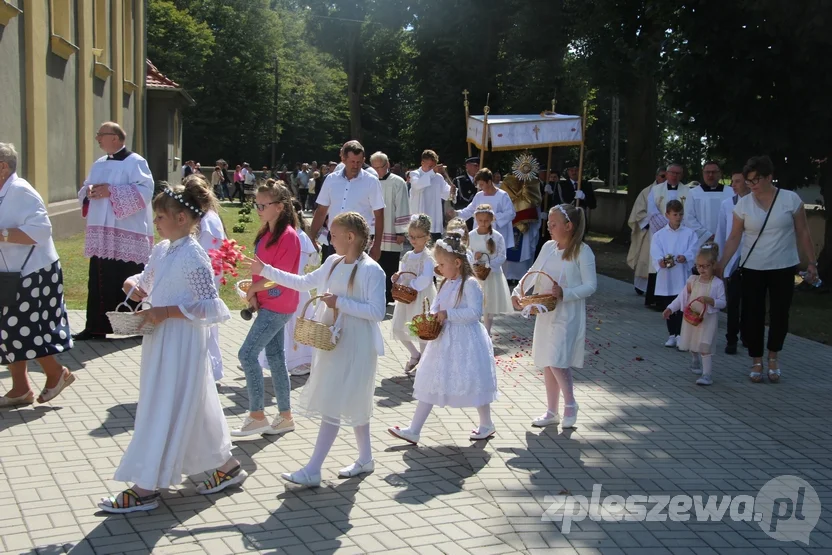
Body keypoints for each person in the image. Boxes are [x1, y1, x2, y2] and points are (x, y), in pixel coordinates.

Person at [99, 182, 243, 514]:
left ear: (181, 217)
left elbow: (212, 308)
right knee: (189, 401)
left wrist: (164, 311)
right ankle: (227, 465)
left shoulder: (195, 256)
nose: (156, 222)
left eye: (161, 216)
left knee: (166, 404)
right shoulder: (163, 249)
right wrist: (135, 287)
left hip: (182, 341)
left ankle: (146, 486)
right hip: (159, 338)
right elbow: (149, 282)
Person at [246, 212, 386, 486]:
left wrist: (340, 303)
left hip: (356, 343)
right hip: (331, 340)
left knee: (335, 400)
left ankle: (313, 469)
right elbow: (302, 282)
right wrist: (266, 271)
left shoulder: (372, 270)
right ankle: (366, 458)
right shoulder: (332, 262)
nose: (329, 239)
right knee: (349, 399)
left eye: (333, 235)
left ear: (350, 237)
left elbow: (377, 312)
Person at [388, 232, 499, 444]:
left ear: (457, 263)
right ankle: (414, 429)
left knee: (474, 379)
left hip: (465, 341)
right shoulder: (446, 282)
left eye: (441, 264)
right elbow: (437, 305)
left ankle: (486, 423)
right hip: (443, 339)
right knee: (431, 378)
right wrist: (431, 315)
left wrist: (449, 314)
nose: (438, 268)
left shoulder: (470, 284)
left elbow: (475, 313)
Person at [718, 155, 818, 384]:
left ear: (770, 177)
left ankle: (773, 357)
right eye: (749, 181)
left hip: (783, 265)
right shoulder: (743, 204)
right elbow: (734, 237)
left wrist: (812, 262)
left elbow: (803, 232)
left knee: (780, 314)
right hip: (753, 267)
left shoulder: (790, 199)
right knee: (753, 315)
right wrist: (721, 264)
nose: (752, 185)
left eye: (756, 180)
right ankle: (756, 359)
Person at [0, 143, 76, 407]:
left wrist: (3, 234)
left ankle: (57, 373)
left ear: (3, 167)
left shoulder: (21, 191)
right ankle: (20, 389)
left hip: (35, 273)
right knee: (7, 330)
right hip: (9, 272)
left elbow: (42, 230)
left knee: (26, 330)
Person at [512, 204, 597, 429]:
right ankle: (552, 410)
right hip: (545, 310)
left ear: (568, 226)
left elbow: (590, 285)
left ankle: (570, 404)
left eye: (554, 224)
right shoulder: (549, 247)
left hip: (567, 312)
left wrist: (566, 293)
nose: (549, 227)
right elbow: (533, 272)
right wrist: (517, 292)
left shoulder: (582, 251)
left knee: (557, 358)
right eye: (548, 223)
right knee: (547, 361)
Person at [73, 122, 154, 341]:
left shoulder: (136, 162)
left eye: (101, 135)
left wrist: (111, 191)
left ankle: (137, 326)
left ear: (116, 138)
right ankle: (96, 327)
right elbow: (85, 187)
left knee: (129, 276)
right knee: (100, 279)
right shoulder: (99, 163)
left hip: (127, 230)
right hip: (102, 232)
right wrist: (88, 191)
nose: (97, 138)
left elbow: (145, 191)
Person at [233, 181, 301, 436]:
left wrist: (254, 290)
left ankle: (257, 414)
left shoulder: (289, 237)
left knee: (247, 354)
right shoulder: (266, 233)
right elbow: (260, 269)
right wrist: (254, 294)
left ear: (280, 207)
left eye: (263, 205)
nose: (258, 208)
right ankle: (285, 417)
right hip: (268, 303)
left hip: (280, 304)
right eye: (256, 204)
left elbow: (281, 276)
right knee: (275, 358)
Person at [257, 198, 319, 377]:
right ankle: (286, 359)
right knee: (290, 326)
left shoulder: (288, 235)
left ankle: (300, 360)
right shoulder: (299, 235)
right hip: (291, 286)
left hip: (291, 286)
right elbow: (314, 260)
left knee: (296, 326)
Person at [309, 141, 385, 261]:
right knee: (332, 276)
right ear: (344, 159)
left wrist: (377, 245)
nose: (355, 165)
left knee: (354, 278)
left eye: (359, 162)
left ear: (363, 160)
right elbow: (321, 211)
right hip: (334, 238)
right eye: (352, 162)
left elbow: (379, 214)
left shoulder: (371, 181)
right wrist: (311, 237)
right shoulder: (331, 179)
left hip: (358, 240)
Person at [663, 244, 726, 385]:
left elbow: (723, 302)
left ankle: (707, 375)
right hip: (692, 318)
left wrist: (711, 301)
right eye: (698, 266)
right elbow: (682, 297)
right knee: (692, 342)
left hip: (708, 320)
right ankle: (695, 360)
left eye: (705, 266)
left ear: (713, 265)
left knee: (705, 346)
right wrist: (670, 308)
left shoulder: (717, 284)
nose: (701, 269)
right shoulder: (693, 281)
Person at [191, 175, 226, 383]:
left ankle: (209, 371)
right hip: (207, 279)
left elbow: (204, 255)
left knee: (205, 328)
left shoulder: (207, 222)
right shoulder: (208, 217)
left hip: (204, 281)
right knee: (207, 328)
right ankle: (209, 370)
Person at [390, 214, 436, 374]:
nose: (414, 240)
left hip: (421, 297)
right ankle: (414, 354)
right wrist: (397, 277)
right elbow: (403, 271)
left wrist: (412, 286)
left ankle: (424, 360)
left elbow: (427, 278)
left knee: (421, 330)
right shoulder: (408, 255)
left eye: (418, 237)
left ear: (427, 237)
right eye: (411, 236)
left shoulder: (428, 257)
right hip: (406, 298)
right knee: (399, 328)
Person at [650, 200, 698, 348]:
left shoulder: (689, 233)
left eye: (681, 214)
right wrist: (660, 261)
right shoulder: (659, 235)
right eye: (675, 214)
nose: (678, 217)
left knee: (682, 304)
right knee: (669, 304)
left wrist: (686, 257)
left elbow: (694, 249)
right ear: (667, 215)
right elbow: (655, 251)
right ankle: (672, 334)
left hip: (682, 274)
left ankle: (680, 334)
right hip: (667, 275)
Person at [644, 163, 691, 307]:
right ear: (667, 173)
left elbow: (690, 212)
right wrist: (666, 225)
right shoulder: (656, 189)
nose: (675, 176)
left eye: (678, 173)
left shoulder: (688, 191)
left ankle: (680, 300)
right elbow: (651, 209)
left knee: (678, 264)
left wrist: (676, 223)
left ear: (681, 175)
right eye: (672, 173)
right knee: (661, 262)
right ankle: (658, 300)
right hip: (661, 232)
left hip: (680, 232)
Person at [714, 169, 749, 354]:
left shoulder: (756, 203)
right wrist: (720, 260)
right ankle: (731, 338)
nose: (733, 185)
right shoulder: (727, 204)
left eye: (737, 181)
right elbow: (721, 232)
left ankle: (747, 334)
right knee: (733, 300)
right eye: (733, 181)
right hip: (732, 259)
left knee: (750, 301)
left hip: (752, 258)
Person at [370, 151, 411, 303]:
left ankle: (388, 296)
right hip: (374, 230)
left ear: (387, 165)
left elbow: (402, 206)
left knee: (390, 264)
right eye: (374, 167)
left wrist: (401, 231)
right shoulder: (370, 181)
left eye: (379, 167)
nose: (377, 171)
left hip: (392, 230)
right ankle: (375, 295)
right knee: (375, 264)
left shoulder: (398, 182)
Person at [469, 204, 512, 336]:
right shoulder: (471, 235)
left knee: (489, 305)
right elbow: (468, 253)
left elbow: (502, 256)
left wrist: (488, 265)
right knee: (476, 302)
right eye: (480, 220)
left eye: (486, 220)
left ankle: (487, 332)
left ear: (492, 219)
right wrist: (474, 259)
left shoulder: (497, 236)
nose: (483, 223)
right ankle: (476, 331)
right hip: (476, 275)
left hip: (492, 276)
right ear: (476, 219)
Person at [452, 168, 516, 250]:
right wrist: (456, 214)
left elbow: (511, 213)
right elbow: (470, 210)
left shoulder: (502, 195)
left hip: (498, 234)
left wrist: (492, 217)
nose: (480, 187)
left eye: (482, 184)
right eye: (479, 185)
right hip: (480, 234)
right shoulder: (479, 196)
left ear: (489, 182)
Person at [627, 167, 667, 295]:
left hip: (668, 233)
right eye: (662, 176)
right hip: (650, 232)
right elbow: (638, 212)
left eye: (667, 176)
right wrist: (653, 222)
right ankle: (641, 287)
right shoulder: (647, 192)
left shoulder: (676, 191)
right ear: (656, 176)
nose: (664, 179)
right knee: (646, 259)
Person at [684, 161, 734, 250]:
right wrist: (706, 235)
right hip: (702, 240)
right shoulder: (694, 193)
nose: (710, 175)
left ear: (720, 173)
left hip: (727, 238)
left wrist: (724, 233)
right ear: (703, 173)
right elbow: (689, 217)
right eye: (707, 172)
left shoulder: (730, 192)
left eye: (714, 172)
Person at [410, 150, 451, 241]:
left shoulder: (438, 177)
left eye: (433, 166)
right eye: (430, 166)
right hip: (419, 220)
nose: (432, 169)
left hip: (435, 219)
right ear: (422, 163)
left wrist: (452, 191)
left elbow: (446, 194)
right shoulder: (415, 174)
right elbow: (417, 186)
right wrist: (432, 172)